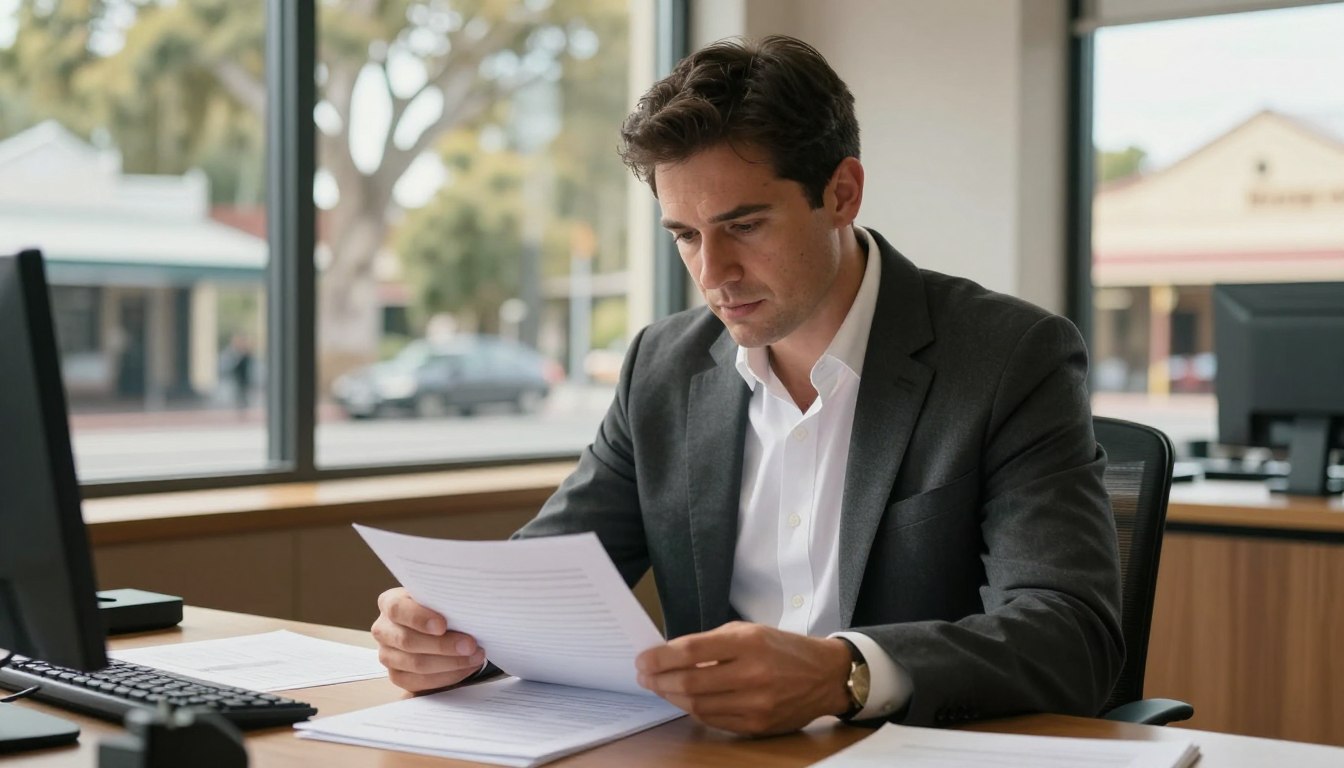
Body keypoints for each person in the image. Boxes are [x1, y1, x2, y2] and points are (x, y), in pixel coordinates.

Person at [371, 35, 1123, 736]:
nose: (712, 273)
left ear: (842, 193)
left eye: (745, 225)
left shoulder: (1008, 357)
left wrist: (846, 674)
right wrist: (455, 637)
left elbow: (1071, 635)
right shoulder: (661, 368)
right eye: (686, 236)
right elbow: (542, 588)